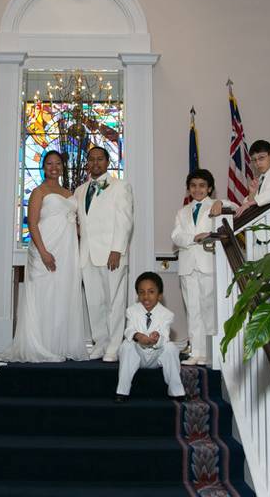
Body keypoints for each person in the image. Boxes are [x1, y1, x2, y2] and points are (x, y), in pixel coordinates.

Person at [0, 150, 88, 362]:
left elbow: (75, 225)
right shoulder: (38, 192)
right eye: (49, 163)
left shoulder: (69, 193)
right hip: (45, 248)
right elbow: (33, 224)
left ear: (62, 167)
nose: (53, 167)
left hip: (67, 251)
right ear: (43, 166)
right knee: (43, 295)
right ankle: (41, 345)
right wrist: (44, 252)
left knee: (62, 295)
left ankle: (59, 344)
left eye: (57, 163)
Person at [75, 146, 134, 363]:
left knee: (114, 302)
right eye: (91, 159)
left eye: (100, 159)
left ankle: (114, 347)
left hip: (111, 253)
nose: (96, 163)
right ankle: (100, 343)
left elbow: (125, 220)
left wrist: (117, 249)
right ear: (87, 164)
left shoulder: (120, 187)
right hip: (87, 254)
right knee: (94, 302)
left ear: (107, 162)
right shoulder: (80, 190)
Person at [171, 168, 219, 367]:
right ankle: (196, 351)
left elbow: (232, 206)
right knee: (193, 309)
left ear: (209, 188)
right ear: (188, 188)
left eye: (202, 186)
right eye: (193, 186)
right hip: (187, 266)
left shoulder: (215, 206)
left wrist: (221, 202)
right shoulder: (182, 212)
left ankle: (209, 351)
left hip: (207, 264)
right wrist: (194, 237)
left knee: (209, 308)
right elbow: (176, 236)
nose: (197, 189)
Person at [114, 272, 185, 403]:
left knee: (171, 347)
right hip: (137, 355)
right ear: (138, 295)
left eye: (151, 292)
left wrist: (157, 338)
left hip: (156, 356)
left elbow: (165, 335)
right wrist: (137, 336)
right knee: (126, 346)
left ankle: (176, 390)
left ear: (159, 295)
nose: (146, 296)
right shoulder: (132, 310)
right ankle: (122, 391)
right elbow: (129, 329)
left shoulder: (167, 314)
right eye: (142, 292)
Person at [232, 139, 270, 215]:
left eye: (261, 158)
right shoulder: (258, 180)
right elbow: (247, 206)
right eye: (254, 160)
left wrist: (250, 203)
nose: (257, 163)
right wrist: (252, 193)